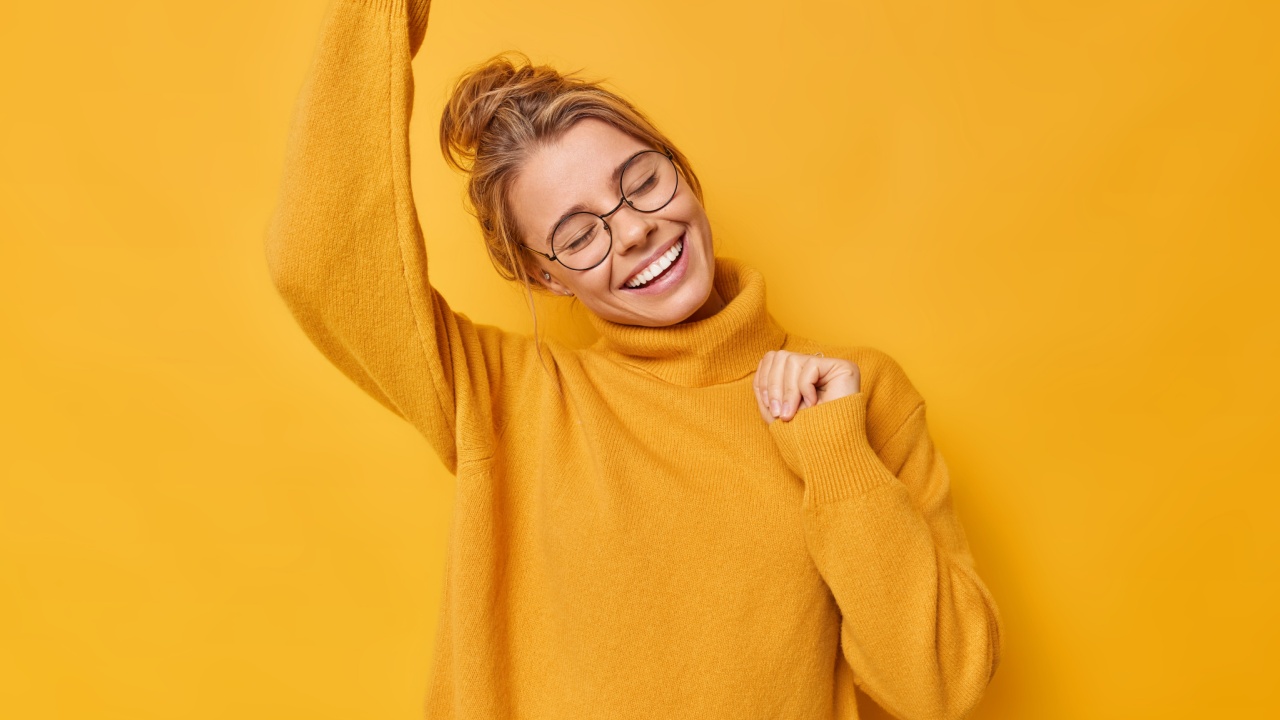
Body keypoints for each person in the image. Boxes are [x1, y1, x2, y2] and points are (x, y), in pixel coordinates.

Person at [265, 0, 1003, 717]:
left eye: (641, 183)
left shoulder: (852, 395)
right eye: (579, 234)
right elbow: (319, 263)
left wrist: (835, 455)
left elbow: (941, 690)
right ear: (546, 276)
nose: (634, 233)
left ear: (681, 170)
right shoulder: (506, 399)